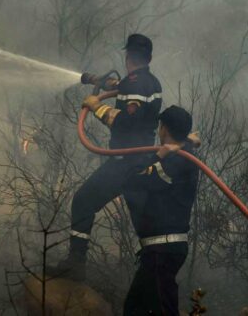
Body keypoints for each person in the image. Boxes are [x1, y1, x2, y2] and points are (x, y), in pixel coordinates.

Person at [53, 34, 163, 280]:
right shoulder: (149, 82)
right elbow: (123, 88)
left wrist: (96, 107)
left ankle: (75, 263)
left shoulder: (134, 85)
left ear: (127, 57)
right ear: (149, 58)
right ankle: (155, 272)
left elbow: (127, 121)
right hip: (141, 161)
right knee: (144, 225)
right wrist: (94, 80)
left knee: (83, 202)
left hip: (124, 162)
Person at [122, 105, 200, 316]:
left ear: (164, 129)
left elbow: (131, 180)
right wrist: (185, 144)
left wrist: (157, 156)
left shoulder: (174, 161)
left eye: (160, 127)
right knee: (136, 309)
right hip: (160, 250)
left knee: (161, 310)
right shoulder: (182, 157)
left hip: (163, 250)